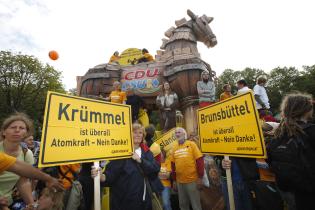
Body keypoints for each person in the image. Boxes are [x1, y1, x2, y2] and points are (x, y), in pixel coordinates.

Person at [91, 123, 162, 210]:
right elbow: (111, 174)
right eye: (135, 132)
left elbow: (155, 170)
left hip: (144, 202)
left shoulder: (147, 152)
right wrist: (101, 176)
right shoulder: (121, 153)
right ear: (129, 134)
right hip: (124, 202)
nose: (138, 135)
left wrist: (140, 160)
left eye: (140, 133)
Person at [267, 93, 315, 210]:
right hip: (309, 194)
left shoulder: (278, 135)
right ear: (306, 110)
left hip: (287, 192)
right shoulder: (311, 131)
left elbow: (270, 161)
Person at [0, 113, 35, 208]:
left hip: (8, 203)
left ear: (26, 133)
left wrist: (32, 205)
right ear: (3, 132)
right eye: (13, 127)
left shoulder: (26, 154)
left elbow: (23, 181)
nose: (17, 130)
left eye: (22, 128)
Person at [170, 127, 204, 210]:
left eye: (179, 132)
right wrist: (174, 180)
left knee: (196, 205)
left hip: (192, 181)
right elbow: (172, 165)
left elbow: (199, 160)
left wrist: (200, 177)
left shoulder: (192, 144)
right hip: (179, 182)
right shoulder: (174, 147)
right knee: (183, 205)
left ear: (184, 134)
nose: (177, 134)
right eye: (176, 133)